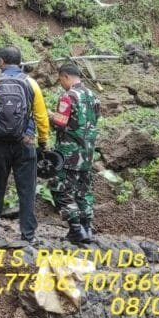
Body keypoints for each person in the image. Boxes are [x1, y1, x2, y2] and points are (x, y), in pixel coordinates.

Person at [0, 46, 49, 242]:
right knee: (27, 188)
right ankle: (28, 234)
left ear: (1, 62)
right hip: (25, 142)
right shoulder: (31, 83)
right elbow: (41, 116)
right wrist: (43, 141)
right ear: (21, 62)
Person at [48, 63, 101, 244]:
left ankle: (76, 229)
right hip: (87, 154)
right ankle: (87, 228)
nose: (61, 83)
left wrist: (49, 115)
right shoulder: (94, 97)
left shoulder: (68, 96)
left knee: (61, 188)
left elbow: (61, 122)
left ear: (66, 77)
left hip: (68, 153)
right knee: (83, 190)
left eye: (61, 80)